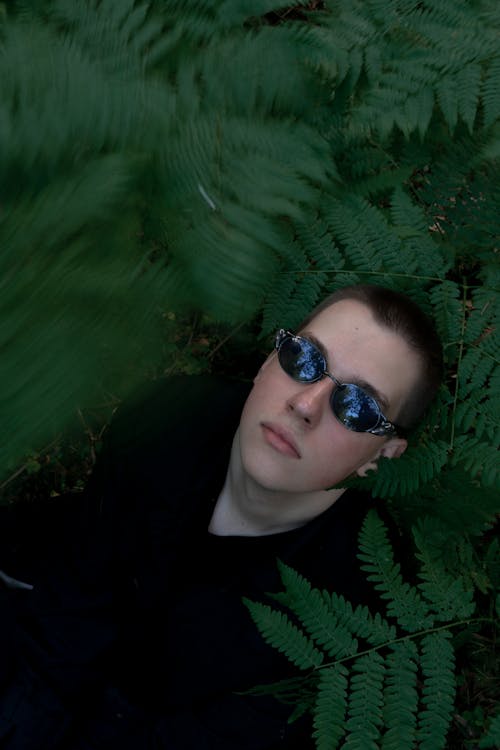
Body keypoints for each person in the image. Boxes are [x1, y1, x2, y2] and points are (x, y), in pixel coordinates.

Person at [0, 284, 443, 749]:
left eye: (357, 407)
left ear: (384, 454)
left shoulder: (360, 611)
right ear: (268, 361)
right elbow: (71, 605)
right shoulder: (168, 416)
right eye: (303, 359)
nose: (305, 405)